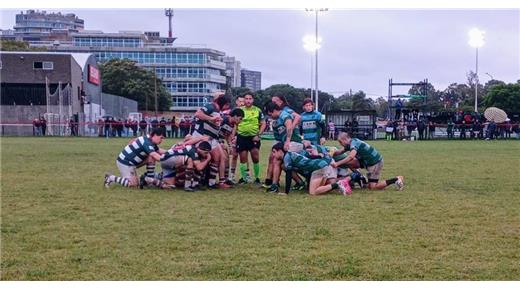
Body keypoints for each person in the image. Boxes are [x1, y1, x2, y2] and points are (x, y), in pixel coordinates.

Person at [271, 142, 352, 196]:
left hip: (319, 167)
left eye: (274, 152)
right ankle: (346, 180)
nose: (273, 155)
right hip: (323, 165)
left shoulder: (287, 158)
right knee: (320, 189)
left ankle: (339, 183)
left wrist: (286, 192)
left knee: (313, 192)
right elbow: (308, 157)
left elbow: (288, 175)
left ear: (280, 151)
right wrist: (320, 157)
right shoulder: (292, 153)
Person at [332, 132, 404, 191]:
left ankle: (396, 179)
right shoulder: (351, 143)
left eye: (340, 142)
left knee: (372, 187)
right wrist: (329, 153)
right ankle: (360, 177)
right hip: (366, 161)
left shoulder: (353, 143)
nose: (340, 144)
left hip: (375, 163)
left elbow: (351, 156)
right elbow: (339, 151)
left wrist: (337, 163)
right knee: (348, 163)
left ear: (345, 139)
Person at [193, 93, 232, 189]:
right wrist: (211, 118)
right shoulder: (210, 106)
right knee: (212, 157)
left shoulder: (218, 111)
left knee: (221, 157)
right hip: (201, 136)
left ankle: (214, 182)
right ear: (225, 104)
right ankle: (204, 182)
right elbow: (198, 114)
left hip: (211, 138)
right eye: (227, 105)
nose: (227, 107)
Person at [264, 102, 304, 193]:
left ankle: (274, 185)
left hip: (295, 143)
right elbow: (278, 139)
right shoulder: (275, 122)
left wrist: (287, 141)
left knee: (278, 160)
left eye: (270, 114)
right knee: (280, 162)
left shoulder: (284, 114)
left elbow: (289, 126)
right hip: (287, 144)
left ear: (273, 111)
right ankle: (298, 182)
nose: (270, 116)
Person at [236, 92, 266, 184]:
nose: (248, 100)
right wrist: (235, 135)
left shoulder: (258, 110)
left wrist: (258, 135)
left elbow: (263, 123)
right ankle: (243, 178)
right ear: (243, 100)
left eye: (250, 99)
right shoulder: (239, 110)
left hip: (254, 137)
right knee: (243, 158)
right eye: (246, 98)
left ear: (253, 100)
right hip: (242, 137)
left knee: (255, 157)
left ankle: (257, 178)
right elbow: (234, 123)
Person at [219, 108, 245, 185]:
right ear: (235, 116)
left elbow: (227, 135)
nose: (240, 121)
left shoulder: (232, 124)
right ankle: (222, 180)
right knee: (224, 157)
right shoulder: (224, 120)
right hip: (214, 140)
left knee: (227, 157)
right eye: (240, 119)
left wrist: (230, 145)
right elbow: (217, 132)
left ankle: (226, 179)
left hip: (220, 141)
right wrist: (221, 144)